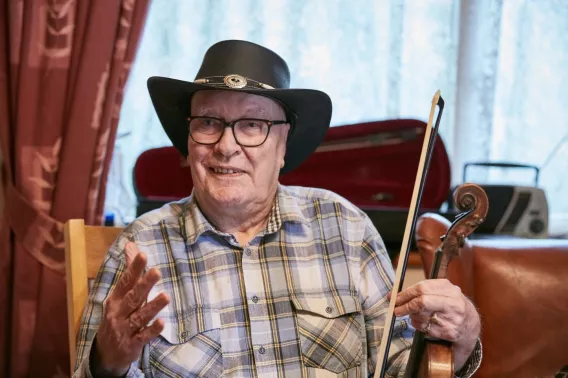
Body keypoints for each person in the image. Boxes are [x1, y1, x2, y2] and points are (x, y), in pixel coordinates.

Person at [73, 40, 482, 378]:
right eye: (209, 122)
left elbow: (399, 368)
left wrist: (459, 339)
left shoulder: (346, 228)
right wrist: (108, 361)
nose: (227, 145)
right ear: (189, 142)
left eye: (252, 125)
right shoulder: (140, 247)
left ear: (282, 145)